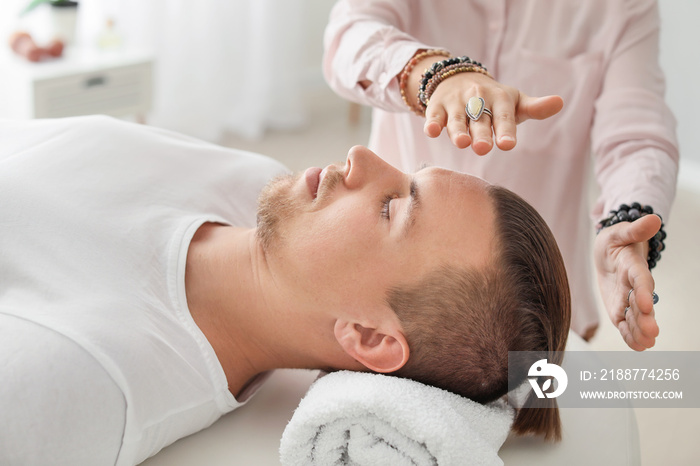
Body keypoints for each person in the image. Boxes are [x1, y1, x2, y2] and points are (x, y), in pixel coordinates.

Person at [0, 115, 569, 465]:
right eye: (405, 172)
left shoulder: (84, 383)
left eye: (391, 207)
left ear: (369, 336)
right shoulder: (254, 181)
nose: (361, 158)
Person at [323, 0, 678, 350]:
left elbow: (637, 134)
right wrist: (436, 74)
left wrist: (624, 224)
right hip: (389, 294)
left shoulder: (623, 6)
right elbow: (349, 36)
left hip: (536, 305)